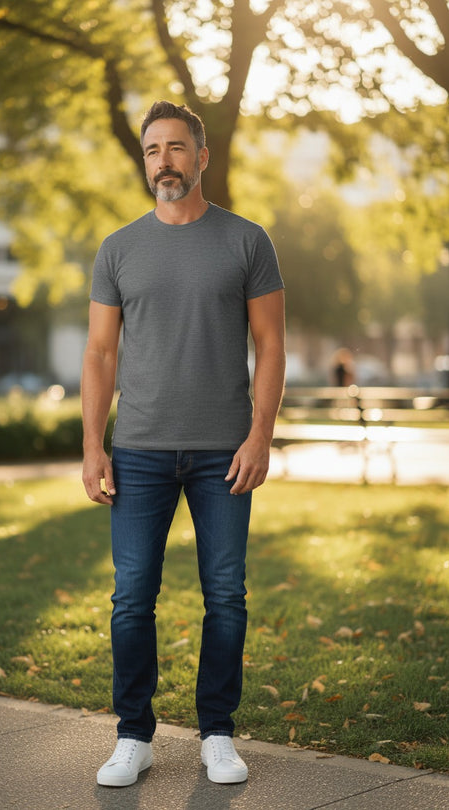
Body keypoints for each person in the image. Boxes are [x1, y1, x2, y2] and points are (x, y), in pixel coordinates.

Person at [81, 100, 285, 788]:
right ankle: (133, 736)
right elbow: (100, 354)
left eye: (174, 147)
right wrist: (93, 445)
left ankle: (217, 733)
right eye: (151, 150)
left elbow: (271, 344)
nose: (162, 160)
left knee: (225, 595)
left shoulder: (247, 241)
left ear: (202, 156)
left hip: (224, 452)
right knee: (132, 597)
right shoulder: (118, 249)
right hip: (139, 450)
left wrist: (261, 435)